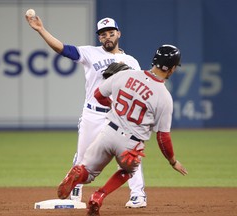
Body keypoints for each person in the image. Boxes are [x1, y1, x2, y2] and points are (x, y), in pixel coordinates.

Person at [25, 15, 147, 207]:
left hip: (120, 117)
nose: (107, 37)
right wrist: (41, 30)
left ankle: (138, 195)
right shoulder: (90, 53)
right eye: (103, 34)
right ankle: (76, 190)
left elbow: (138, 88)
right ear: (99, 38)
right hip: (94, 113)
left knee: (129, 155)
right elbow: (62, 49)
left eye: (111, 33)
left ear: (118, 34)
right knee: (83, 156)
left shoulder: (131, 61)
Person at [57, 44, 188, 216]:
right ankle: (99, 196)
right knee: (128, 171)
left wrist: (112, 105)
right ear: (171, 69)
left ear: (154, 60)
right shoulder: (164, 97)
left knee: (87, 173)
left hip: (108, 132)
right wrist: (172, 161)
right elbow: (163, 137)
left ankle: (78, 173)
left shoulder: (125, 75)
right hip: (131, 145)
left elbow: (98, 95)